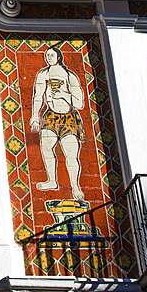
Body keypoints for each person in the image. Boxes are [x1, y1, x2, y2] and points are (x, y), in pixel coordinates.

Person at [29, 46, 85, 201]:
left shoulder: (69, 76)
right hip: (51, 116)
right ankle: (52, 180)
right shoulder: (43, 74)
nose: (49, 58)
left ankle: (75, 186)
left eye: (52, 55)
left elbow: (80, 103)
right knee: (46, 147)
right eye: (47, 55)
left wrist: (64, 95)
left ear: (59, 57)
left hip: (68, 118)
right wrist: (35, 115)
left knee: (71, 154)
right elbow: (38, 96)